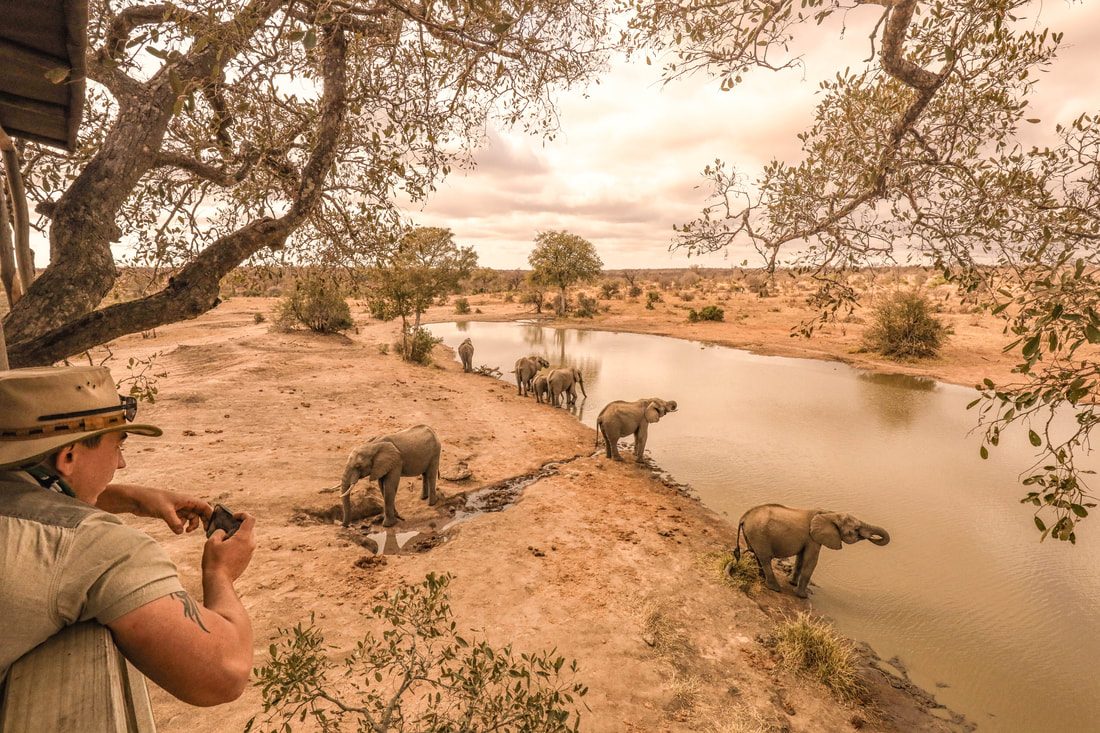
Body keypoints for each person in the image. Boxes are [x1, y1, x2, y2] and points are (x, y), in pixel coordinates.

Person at [0, 365, 256, 706]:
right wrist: (220, 574)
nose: (120, 463)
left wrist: (128, 498)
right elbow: (226, 672)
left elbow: (25, 499)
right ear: (69, 456)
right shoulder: (94, 547)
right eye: (118, 444)